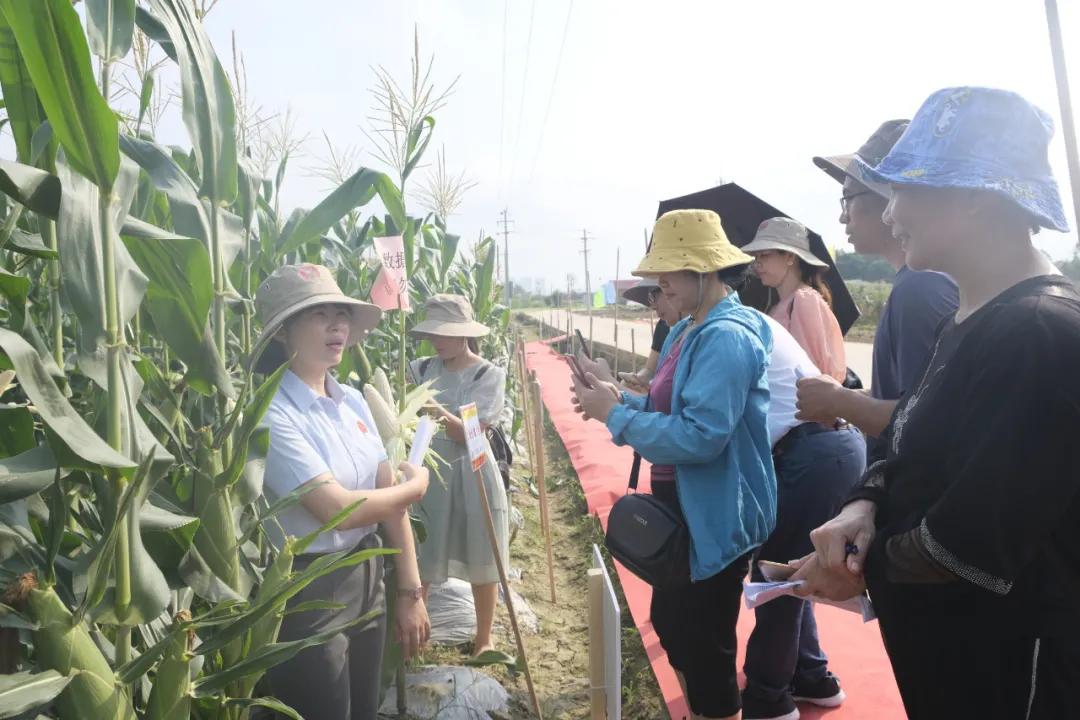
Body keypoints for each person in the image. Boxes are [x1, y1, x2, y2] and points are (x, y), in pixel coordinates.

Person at [791, 87, 1080, 719]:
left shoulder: (1040, 332)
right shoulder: (971, 317)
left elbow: (965, 545)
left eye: (904, 190)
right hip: (949, 660)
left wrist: (851, 566)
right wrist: (861, 509)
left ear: (975, 196)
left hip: (1014, 676)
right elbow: (910, 436)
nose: (890, 212)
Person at [572, 209, 776, 720]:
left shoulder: (726, 337)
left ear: (705, 271)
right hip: (684, 503)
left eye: (668, 275)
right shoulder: (689, 329)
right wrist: (616, 400)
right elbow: (671, 410)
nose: (659, 286)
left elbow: (701, 437)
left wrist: (615, 415)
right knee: (674, 625)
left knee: (705, 647)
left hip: (712, 510)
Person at [255, 263, 431, 720]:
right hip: (310, 590)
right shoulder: (272, 412)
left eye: (342, 313)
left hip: (368, 572)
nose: (338, 325)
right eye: (319, 314)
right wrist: (415, 488)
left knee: (364, 710)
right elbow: (335, 509)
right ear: (282, 332)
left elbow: (386, 497)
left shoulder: (353, 400)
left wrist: (409, 592)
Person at [797, 120, 958, 456]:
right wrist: (844, 399)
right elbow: (909, 397)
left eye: (848, 198)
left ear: (890, 195)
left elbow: (927, 424)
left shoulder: (921, 288)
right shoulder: (918, 282)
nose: (843, 218)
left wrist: (839, 399)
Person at [408, 294, 509, 657]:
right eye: (432, 332)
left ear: (465, 333)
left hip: (474, 471)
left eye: (445, 333)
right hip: (430, 471)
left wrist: (430, 407)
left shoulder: (487, 375)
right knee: (424, 549)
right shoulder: (419, 369)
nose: (437, 340)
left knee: (483, 552)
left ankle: (484, 638)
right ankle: (416, 635)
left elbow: (470, 434)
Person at [743, 217, 847, 383]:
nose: (757, 263)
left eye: (764, 255)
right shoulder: (780, 305)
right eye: (756, 257)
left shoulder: (804, 301)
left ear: (790, 257)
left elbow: (808, 371)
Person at [619, 277, 680, 392]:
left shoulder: (707, 334)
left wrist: (610, 382)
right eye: (649, 300)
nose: (653, 306)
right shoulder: (664, 326)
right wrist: (638, 379)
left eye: (654, 296)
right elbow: (649, 369)